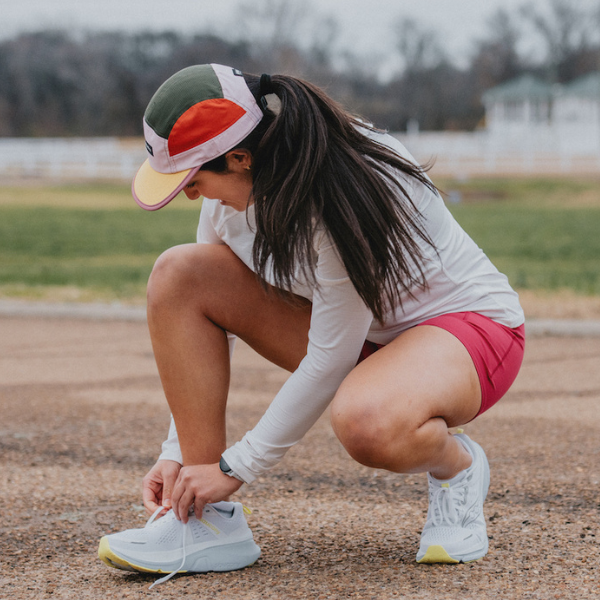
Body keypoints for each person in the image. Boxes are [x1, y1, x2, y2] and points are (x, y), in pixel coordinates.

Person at [98, 63, 525, 582]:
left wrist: (235, 469)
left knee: (368, 422)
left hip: (466, 328)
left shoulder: (346, 188)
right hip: (360, 336)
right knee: (179, 275)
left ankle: (456, 467)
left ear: (239, 157)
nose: (190, 194)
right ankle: (207, 523)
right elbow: (206, 313)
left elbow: (330, 358)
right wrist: (182, 459)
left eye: (193, 179)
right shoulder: (235, 185)